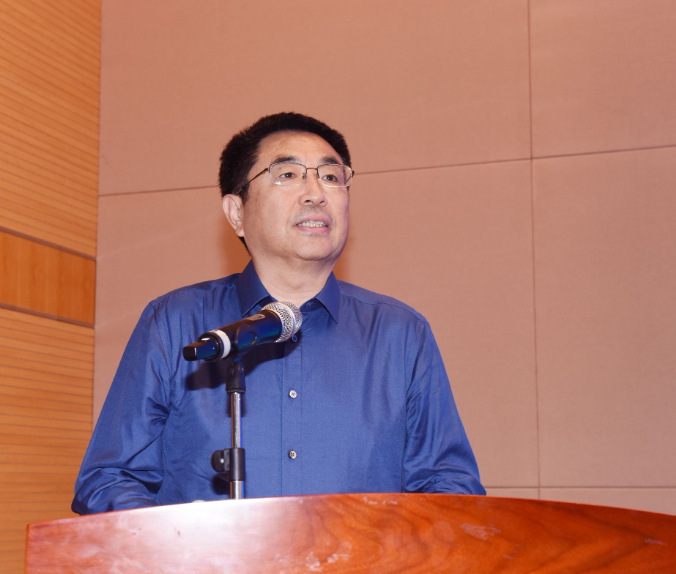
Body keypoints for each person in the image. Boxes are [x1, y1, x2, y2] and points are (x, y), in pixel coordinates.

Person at [72, 113, 484, 514]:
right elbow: (109, 479)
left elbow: (450, 488)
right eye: (288, 174)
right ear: (237, 213)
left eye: (331, 177)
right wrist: (185, 545)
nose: (315, 193)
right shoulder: (174, 322)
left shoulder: (401, 333)